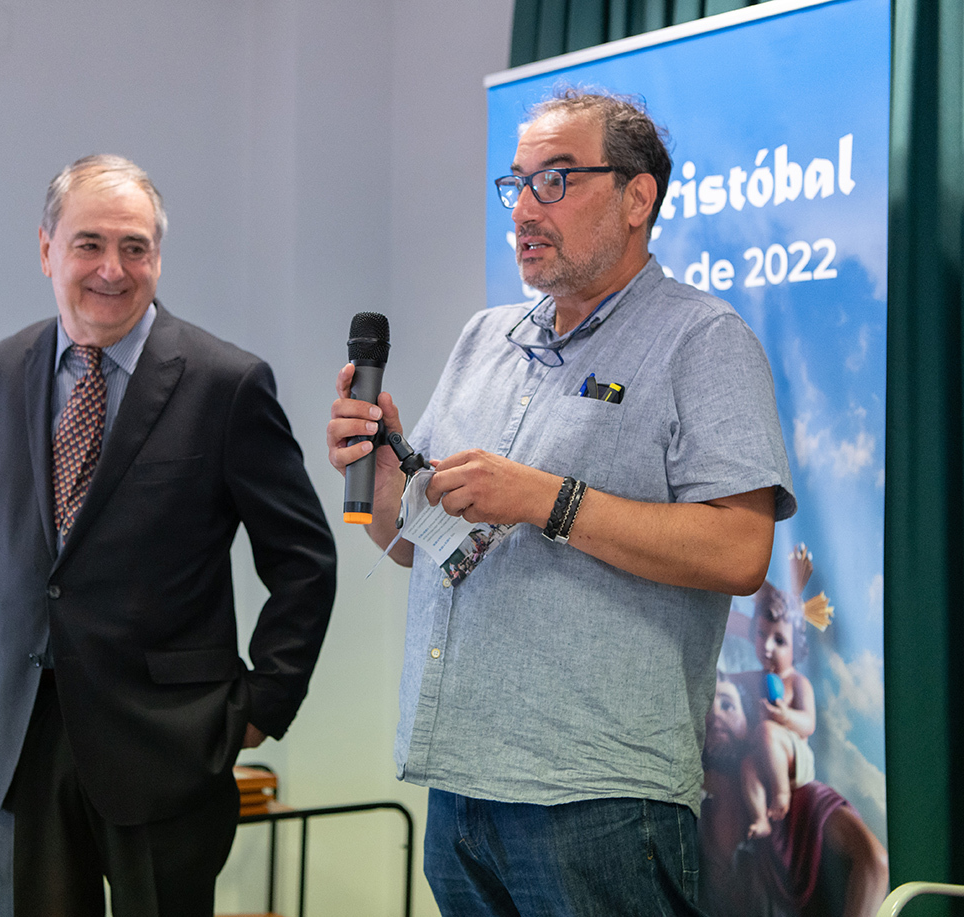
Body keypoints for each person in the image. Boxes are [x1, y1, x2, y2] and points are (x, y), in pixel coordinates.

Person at [326, 88, 796, 915]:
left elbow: (739, 551)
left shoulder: (702, 340)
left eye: (556, 180)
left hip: (598, 800)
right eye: (516, 184)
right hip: (460, 785)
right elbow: (414, 545)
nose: (523, 210)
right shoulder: (485, 339)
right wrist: (389, 486)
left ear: (637, 197)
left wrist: (547, 500)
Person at [0, 154, 336, 917]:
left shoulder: (226, 382)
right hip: (23, 734)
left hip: (169, 745)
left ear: (158, 255)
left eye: (135, 247)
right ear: (47, 249)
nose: (112, 269)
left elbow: (303, 561)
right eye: (89, 244)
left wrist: (262, 702)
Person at [701, 675, 888, 917]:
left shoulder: (799, 802)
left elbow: (873, 863)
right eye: (705, 711)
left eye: (728, 705)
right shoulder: (697, 823)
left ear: (750, 724)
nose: (715, 716)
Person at [732, 579, 818, 839]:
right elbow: (729, 679)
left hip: (796, 760)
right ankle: (761, 818)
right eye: (761, 634)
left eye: (779, 640)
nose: (767, 647)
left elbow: (809, 724)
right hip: (766, 758)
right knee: (747, 765)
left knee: (768, 730)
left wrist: (786, 716)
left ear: (796, 647)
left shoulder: (798, 682)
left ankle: (782, 795)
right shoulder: (756, 678)